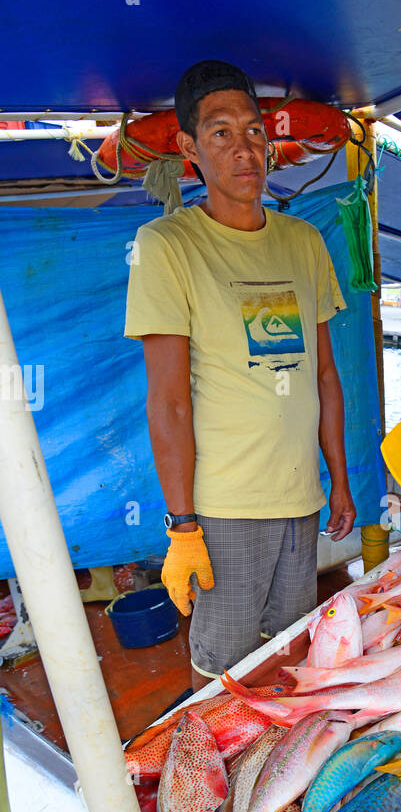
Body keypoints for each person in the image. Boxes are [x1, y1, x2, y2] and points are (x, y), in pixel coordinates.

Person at [125, 59, 355, 690]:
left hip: (300, 498)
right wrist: (182, 527)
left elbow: (325, 378)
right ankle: (214, 786)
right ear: (189, 149)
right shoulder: (167, 244)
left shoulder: (304, 241)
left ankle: (275, 781)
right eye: (221, 133)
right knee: (222, 669)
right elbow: (168, 403)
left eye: (253, 131)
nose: (244, 149)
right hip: (224, 507)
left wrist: (338, 479)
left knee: (290, 656)